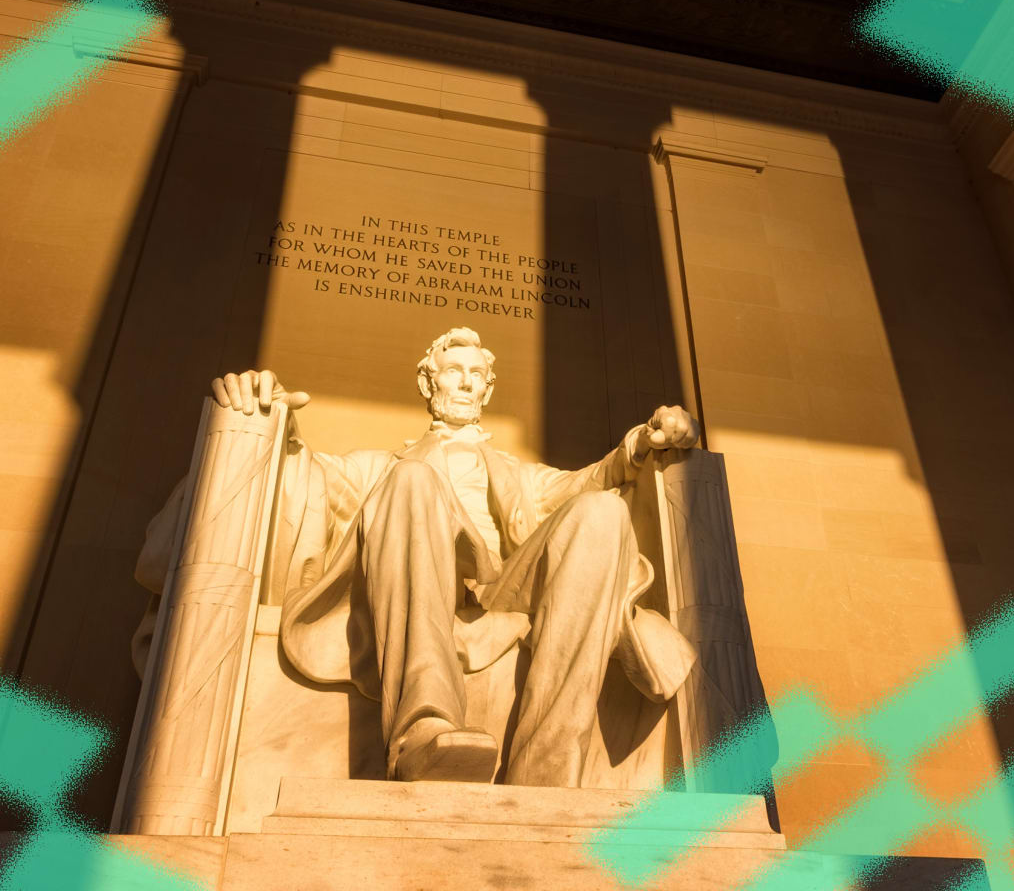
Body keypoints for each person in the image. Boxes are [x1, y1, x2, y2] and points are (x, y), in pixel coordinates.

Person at [212, 326, 700, 787]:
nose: (466, 383)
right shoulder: (380, 468)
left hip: (503, 592)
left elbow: (589, 480)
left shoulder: (519, 476)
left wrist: (641, 442)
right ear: (428, 382)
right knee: (412, 481)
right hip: (419, 579)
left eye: (477, 375)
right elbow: (308, 469)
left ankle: (547, 764)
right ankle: (423, 729)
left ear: (487, 391)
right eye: (453, 370)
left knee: (602, 512)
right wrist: (271, 414)